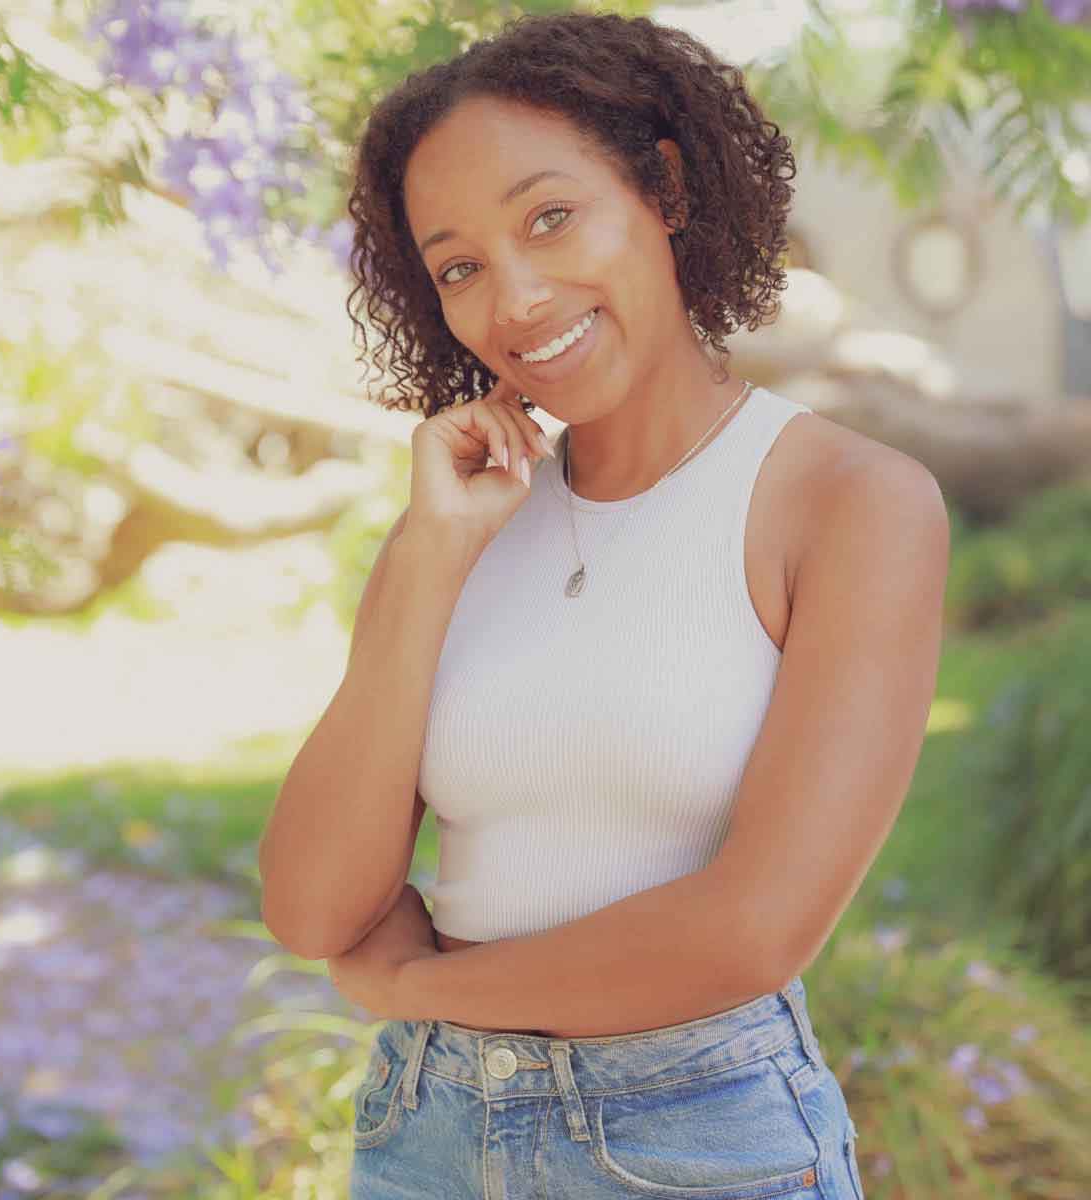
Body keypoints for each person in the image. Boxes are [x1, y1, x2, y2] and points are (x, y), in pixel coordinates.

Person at [258, 10, 949, 1198]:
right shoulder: (452, 531)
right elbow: (317, 904)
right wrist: (432, 556)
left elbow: (752, 930)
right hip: (427, 1139)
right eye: (461, 266)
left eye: (551, 217)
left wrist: (419, 991)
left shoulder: (848, 504)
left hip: (699, 1140)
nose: (518, 297)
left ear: (666, 190)